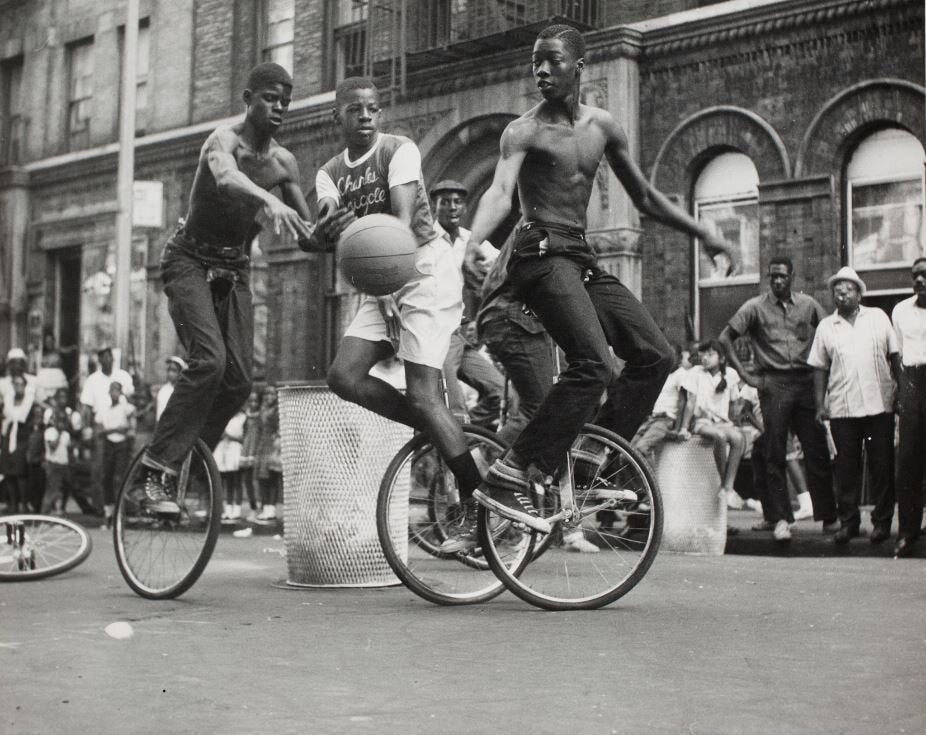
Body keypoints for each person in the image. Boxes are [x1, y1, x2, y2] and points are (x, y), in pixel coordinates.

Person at [453, 24, 734, 538]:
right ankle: (510, 472)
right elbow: (497, 192)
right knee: (594, 364)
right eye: (536, 61)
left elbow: (645, 198)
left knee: (656, 356)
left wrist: (704, 232)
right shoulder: (523, 131)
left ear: (578, 67)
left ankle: (587, 458)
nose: (541, 70)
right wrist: (472, 243)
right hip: (538, 253)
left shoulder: (603, 126)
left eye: (553, 61)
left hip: (579, 256)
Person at [310, 77, 485, 535]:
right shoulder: (329, 171)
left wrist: (384, 283)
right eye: (355, 110)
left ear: (380, 114)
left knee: (426, 392)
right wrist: (324, 228)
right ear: (338, 117)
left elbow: (402, 224)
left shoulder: (399, 148)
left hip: (423, 268)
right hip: (380, 277)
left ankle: (477, 497)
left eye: (372, 108)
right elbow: (331, 219)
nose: (366, 116)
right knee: (342, 376)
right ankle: (434, 431)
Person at [139, 62, 313, 514]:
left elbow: (309, 236)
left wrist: (340, 230)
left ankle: (191, 462)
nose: (279, 107)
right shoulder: (223, 141)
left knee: (237, 381)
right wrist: (268, 198)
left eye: (285, 101)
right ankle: (157, 468)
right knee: (209, 361)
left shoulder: (284, 163)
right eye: (270, 98)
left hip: (233, 267)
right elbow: (226, 178)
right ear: (248, 99)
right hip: (188, 258)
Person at [720, 255, 839, 539]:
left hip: (806, 382)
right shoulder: (755, 307)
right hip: (773, 384)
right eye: (772, 276)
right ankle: (782, 519)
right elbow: (725, 338)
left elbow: (828, 332)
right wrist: (748, 377)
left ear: (792, 277)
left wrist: (828, 374)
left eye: (782, 276)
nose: (777, 281)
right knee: (774, 452)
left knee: (816, 449)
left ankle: (829, 517)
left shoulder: (808, 305)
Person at [807, 267, 900, 545]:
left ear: (860, 293)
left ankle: (882, 522)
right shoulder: (826, 326)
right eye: (837, 289)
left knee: (881, 466)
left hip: (878, 406)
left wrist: (900, 394)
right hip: (843, 408)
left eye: (848, 289)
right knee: (846, 468)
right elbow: (819, 368)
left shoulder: (878, 318)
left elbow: (895, 357)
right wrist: (819, 404)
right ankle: (849, 522)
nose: (842, 293)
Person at [430, 179, 506, 428]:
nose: (452, 207)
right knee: (455, 407)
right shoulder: (426, 241)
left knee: (499, 393)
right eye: (445, 202)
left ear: (464, 208)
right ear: (435, 206)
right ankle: (453, 441)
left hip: (463, 334)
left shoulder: (470, 241)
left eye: (457, 202)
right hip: (439, 332)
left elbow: (501, 265)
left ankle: (457, 438)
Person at [676, 340, 748, 511]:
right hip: (703, 422)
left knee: (738, 438)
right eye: (703, 354)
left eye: (710, 354)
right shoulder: (695, 373)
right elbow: (690, 402)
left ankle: (727, 488)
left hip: (723, 422)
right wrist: (684, 428)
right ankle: (726, 486)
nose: (705, 358)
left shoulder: (730, 375)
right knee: (720, 437)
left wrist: (736, 417)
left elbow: (734, 403)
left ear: (722, 358)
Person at [891, 257, 926, 558]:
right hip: (913, 380)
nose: (919, 280)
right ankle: (907, 532)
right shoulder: (901, 310)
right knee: (909, 459)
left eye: (925, 275)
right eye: (915, 275)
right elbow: (899, 353)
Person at [630, 343, 691, 468]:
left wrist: (678, 427)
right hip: (653, 419)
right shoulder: (663, 375)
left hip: (666, 419)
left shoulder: (680, 374)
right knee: (627, 450)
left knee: (642, 448)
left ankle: (652, 485)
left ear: (679, 358)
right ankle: (635, 486)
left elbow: (682, 401)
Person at [95, 381, 136, 525]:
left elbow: (127, 428)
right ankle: (108, 511)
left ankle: (120, 512)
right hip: (109, 445)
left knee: (120, 478)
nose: (114, 393)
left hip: (121, 445)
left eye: (117, 390)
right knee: (106, 477)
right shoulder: (104, 409)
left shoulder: (126, 408)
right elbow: (100, 430)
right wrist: (114, 429)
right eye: (112, 390)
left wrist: (112, 430)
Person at [0, 373, 34, 513]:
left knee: (21, 472)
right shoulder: (8, 400)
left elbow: (26, 419)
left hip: (23, 436)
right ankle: (13, 505)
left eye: (21, 384)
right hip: (9, 436)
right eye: (16, 384)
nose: (18, 387)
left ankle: (23, 504)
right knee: (9, 472)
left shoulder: (29, 401)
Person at [215, 403, 246, 521]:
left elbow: (245, 437)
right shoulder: (226, 416)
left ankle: (237, 510)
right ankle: (228, 510)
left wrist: (230, 436)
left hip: (237, 449)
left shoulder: (243, 418)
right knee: (228, 482)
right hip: (224, 450)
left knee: (237, 482)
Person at [255, 385, 282, 521]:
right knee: (262, 478)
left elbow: (280, 427)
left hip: (273, 446)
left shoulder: (278, 410)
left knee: (272, 479)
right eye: (266, 394)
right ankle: (265, 507)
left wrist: (277, 437)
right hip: (262, 446)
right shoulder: (261, 410)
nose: (269, 397)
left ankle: (271, 509)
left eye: (272, 394)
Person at [42, 409, 73, 515]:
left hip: (64, 464)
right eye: (59, 420)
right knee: (51, 491)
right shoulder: (50, 432)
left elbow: (68, 449)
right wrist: (59, 434)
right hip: (53, 464)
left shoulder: (66, 434)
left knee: (66, 489)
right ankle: (44, 516)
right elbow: (52, 447)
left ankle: (61, 511)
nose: (61, 423)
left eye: (63, 421)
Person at [238, 389, 262, 521]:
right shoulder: (245, 416)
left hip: (257, 451)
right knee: (247, 481)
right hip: (246, 451)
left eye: (255, 401)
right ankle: (253, 508)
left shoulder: (260, 416)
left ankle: (262, 508)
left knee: (257, 481)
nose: (253, 404)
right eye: (250, 401)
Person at [155, 355, 188, 423]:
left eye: (174, 370)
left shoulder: (184, 390)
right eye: (168, 370)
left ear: (180, 373)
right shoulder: (164, 390)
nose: (170, 373)